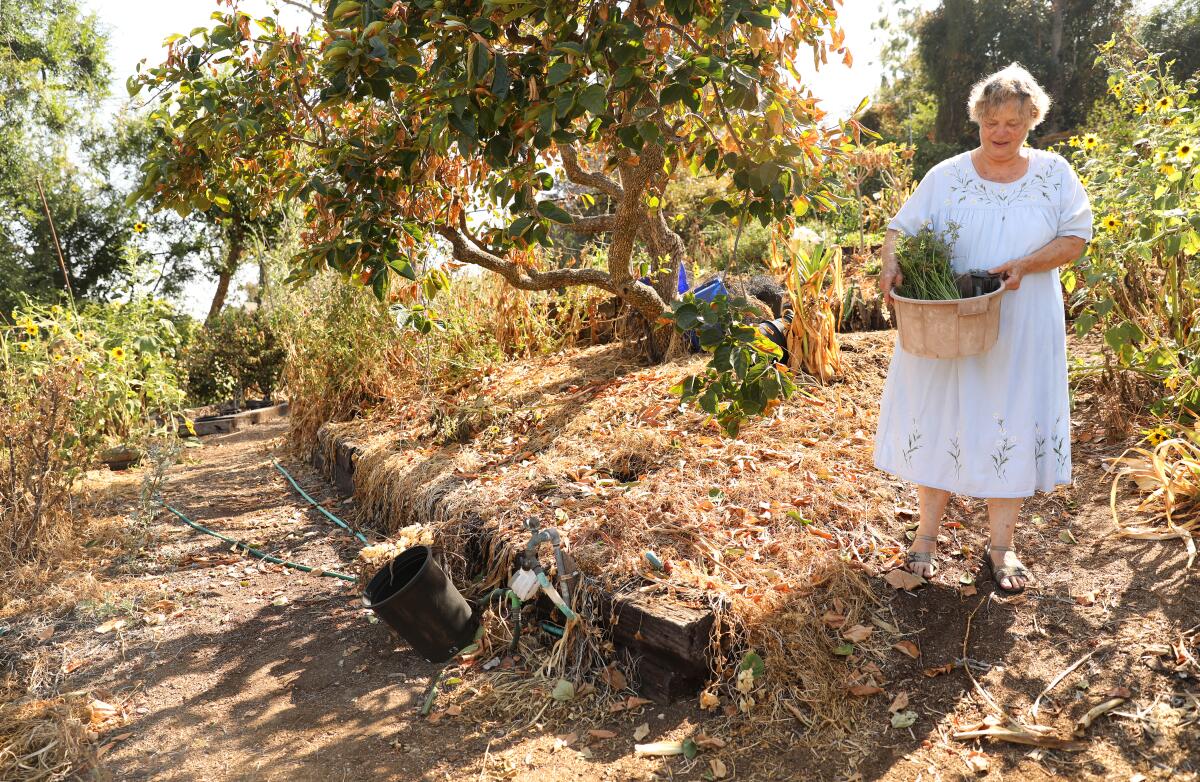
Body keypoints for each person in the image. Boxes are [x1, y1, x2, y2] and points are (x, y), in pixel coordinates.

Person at [874, 63, 1093, 594]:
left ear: (1031, 122)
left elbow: (1077, 237)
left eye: (1013, 123)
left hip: (1023, 323)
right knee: (943, 409)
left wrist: (1025, 264)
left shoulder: (1054, 173)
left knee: (1012, 415)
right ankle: (925, 537)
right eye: (991, 121)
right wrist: (890, 263)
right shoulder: (946, 175)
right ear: (977, 120)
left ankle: (1001, 546)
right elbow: (899, 229)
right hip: (951, 322)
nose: (1001, 133)